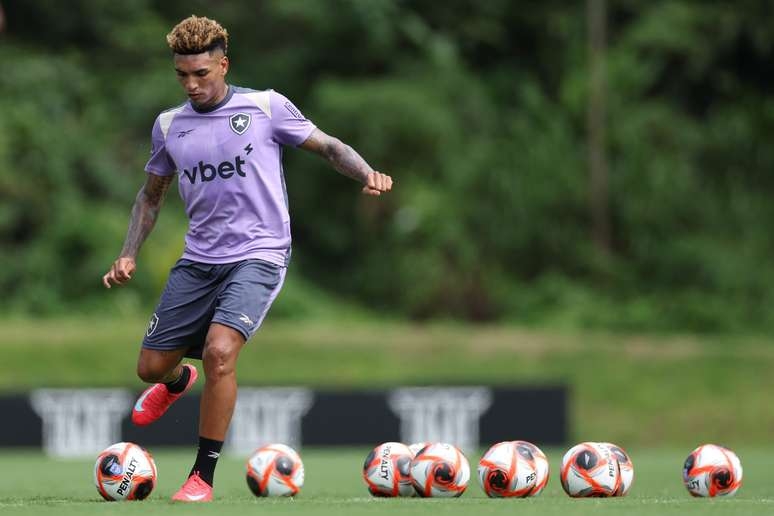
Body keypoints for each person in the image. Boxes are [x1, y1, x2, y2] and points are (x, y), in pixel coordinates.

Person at [102, 15, 392, 502]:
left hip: (260, 253)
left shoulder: (264, 107)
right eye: (182, 76)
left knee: (220, 353)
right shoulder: (169, 126)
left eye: (202, 74)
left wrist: (366, 172)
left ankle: (201, 477)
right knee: (150, 368)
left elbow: (329, 147)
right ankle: (177, 380)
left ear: (223, 65)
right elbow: (151, 196)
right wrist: (128, 253)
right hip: (198, 259)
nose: (192, 85)